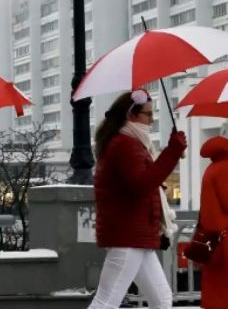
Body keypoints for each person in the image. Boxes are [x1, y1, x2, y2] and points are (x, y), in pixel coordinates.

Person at [88, 89, 187, 309]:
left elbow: (142, 183)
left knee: (162, 300)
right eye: (148, 114)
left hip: (136, 234)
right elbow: (141, 185)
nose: (152, 120)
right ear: (131, 115)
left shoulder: (129, 143)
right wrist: (172, 152)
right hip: (128, 235)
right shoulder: (124, 145)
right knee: (106, 301)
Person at [198, 132, 228, 309]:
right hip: (225, 239)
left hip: (213, 238)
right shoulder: (225, 169)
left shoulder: (212, 168)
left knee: (215, 288)